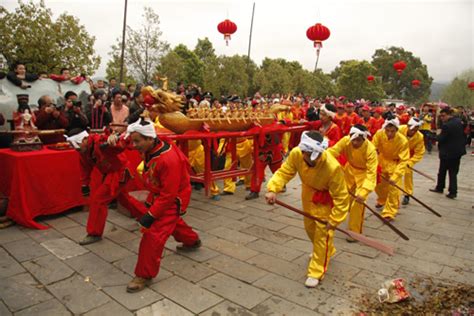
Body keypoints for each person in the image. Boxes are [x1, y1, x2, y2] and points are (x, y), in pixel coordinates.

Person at [265, 131, 349, 288]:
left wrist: (335, 219)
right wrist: (273, 188)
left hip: (324, 199)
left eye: (316, 155)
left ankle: (316, 270)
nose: (314, 158)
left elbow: (341, 197)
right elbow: (285, 171)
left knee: (322, 235)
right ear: (303, 151)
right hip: (307, 194)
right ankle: (326, 251)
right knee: (310, 229)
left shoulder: (332, 167)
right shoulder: (296, 154)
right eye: (309, 154)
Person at [125, 119, 201, 293]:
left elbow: (169, 195)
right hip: (160, 193)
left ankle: (144, 274)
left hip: (173, 198)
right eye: (133, 141)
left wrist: (150, 216)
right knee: (173, 223)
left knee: (153, 233)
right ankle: (192, 240)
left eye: (137, 141)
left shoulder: (168, 160)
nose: (134, 145)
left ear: (150, 139)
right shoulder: (152, 145)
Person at [67, 129, 145, 244]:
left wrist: (114, 139)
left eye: (77, 145)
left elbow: (121, 144)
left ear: (84, 139)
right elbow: (85, 167)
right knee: (123, 199)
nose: (76, 148)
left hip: (119, 172)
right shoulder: (84, 150)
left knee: (98, 200)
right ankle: (146, 216)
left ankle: (94, 233)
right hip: (110, 173)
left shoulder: (100, 141)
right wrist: (85, 184)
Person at [327, 125, 377, 239]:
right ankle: (334, 219)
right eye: (353, 139)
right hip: (349, 170)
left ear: (364, 139)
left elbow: (371, 173)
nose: (354, 142)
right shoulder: (346, 140)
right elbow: (333, 151)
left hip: (363, 174)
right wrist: (322, 158)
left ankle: (354, 232)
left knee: (358, 203)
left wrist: (364, 192)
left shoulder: (371, 150)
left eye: (358, 140)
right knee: (342, 196)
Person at [373, 116, 410, 221]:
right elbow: (372, 147)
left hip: (394, 163)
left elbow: (403, 161)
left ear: (397, 130)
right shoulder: (379, 134)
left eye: (392, 131)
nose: (389, 133)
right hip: (381, 160)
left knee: (393, 189)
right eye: (387, 130)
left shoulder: (403, 141)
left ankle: (390, 212)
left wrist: (396, 175)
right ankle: (382, 199)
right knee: (379, 185)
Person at [429, 108, 466, 199]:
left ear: (449, 115)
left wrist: (432, 136)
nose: (442, 118)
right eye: (441, 116)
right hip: (458, 151)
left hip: (447, 152)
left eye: (443, 116)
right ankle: (452, 191)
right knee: (453, 172)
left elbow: (441, 138)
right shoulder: (459, 122)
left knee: (443, 171)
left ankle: (440, 187)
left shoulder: (447, 125)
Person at [399, 118, 425, 205]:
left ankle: (407, 194)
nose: (413, 131)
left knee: (408, 173)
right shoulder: (400, 129)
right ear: (407, 126)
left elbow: (419, 153)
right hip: (395, 154)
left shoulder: (419, 137)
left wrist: (410, 162)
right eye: (412, 129)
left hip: (407, 157)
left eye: (416, 129)